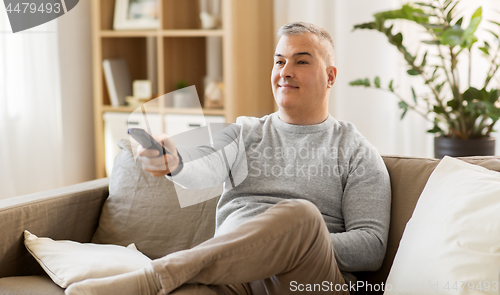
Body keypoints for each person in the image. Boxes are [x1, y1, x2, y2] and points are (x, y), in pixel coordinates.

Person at [66, 22, 391, 295]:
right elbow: (202, 164)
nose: (285, 72)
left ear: (330, 76)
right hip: (234, 277)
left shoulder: (357, 151)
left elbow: (371, 246)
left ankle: (153, 277)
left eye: (301, 61)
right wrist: (174, 161)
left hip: (304, 280)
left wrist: (290, 243)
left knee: (302, 216)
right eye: (279, 61)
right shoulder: (243, 132)